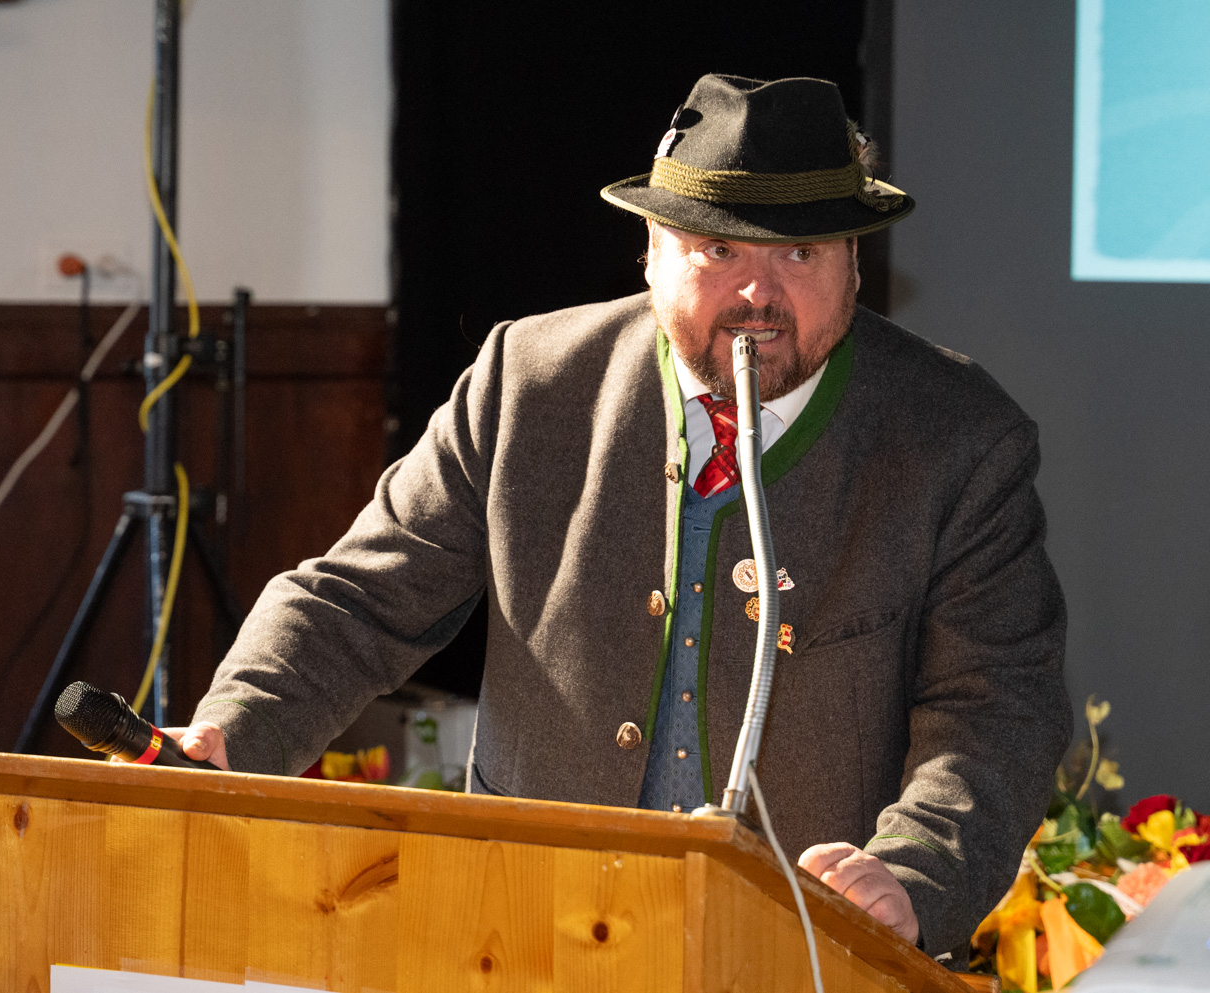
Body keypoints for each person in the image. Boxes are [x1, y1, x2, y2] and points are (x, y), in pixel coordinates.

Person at [170, 75, 1071, 960]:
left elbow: (996, 707)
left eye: (801, 254)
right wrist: (233, 730)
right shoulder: (527, 382)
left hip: (803, 952)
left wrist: (913, 871)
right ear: (651, 252)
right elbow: (356, 601)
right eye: (717, 250)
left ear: (854, 264)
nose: (758, 294)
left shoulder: (961, 438)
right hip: (524, 935)